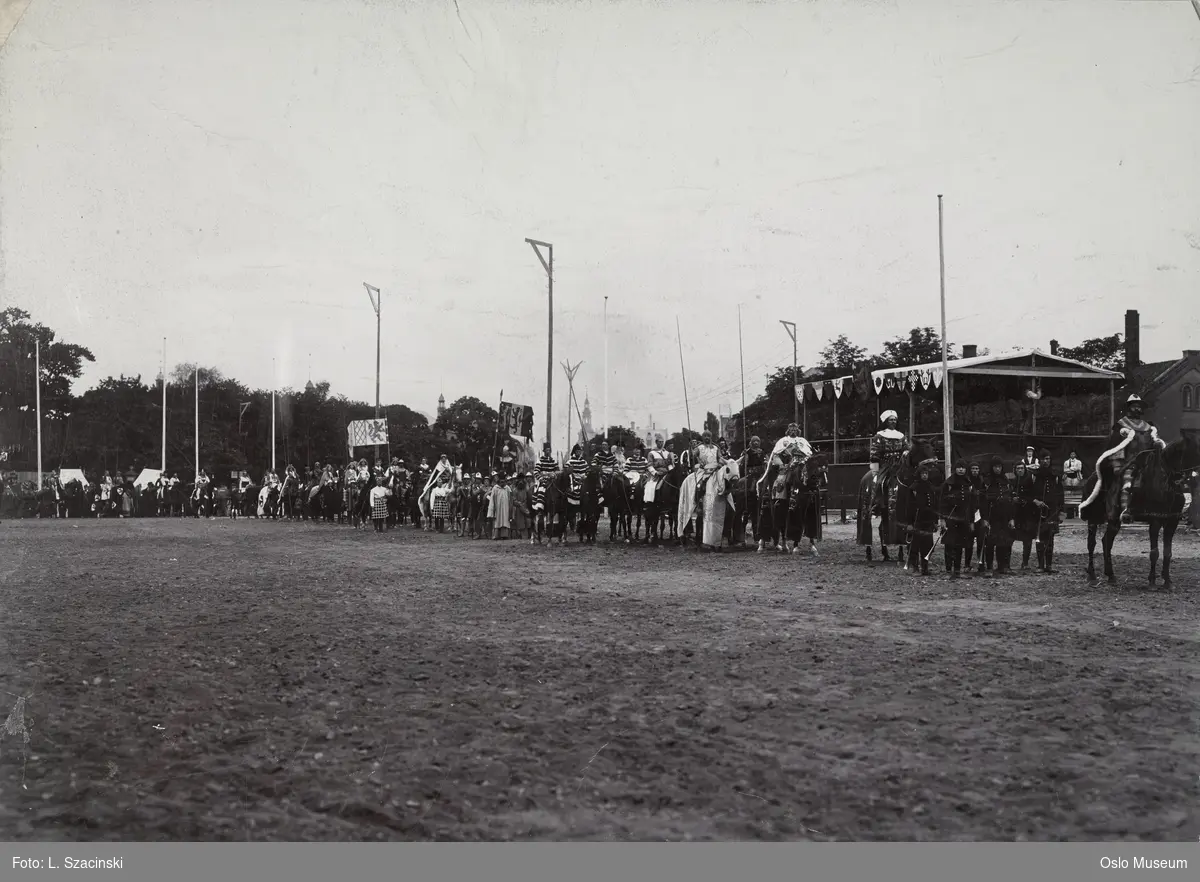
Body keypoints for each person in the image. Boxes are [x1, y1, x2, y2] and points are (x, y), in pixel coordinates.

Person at [978, 457, 1016, 576]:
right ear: (992, 467)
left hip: (1004, 516)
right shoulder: (986, 482)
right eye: (995, 467)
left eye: (999, 466)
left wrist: (1011, 518)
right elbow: (982, 502)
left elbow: (1010, 500)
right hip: (991, 517)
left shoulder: (1007, 481)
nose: (997, 469)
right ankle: (989, 568)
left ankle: (1003, 566)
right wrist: (984, 518)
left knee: (1004, 542)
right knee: (990, 543)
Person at [692, 430, 729, 550]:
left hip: (715, 470)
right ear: (702, 437)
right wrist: (693, 454)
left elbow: (720, 458)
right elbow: (693, 456)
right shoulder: (699, 447)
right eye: (705, 436)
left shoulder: (716, 447)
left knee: (724, 482)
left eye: (709, 436)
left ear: (711, 437)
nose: (707, 437)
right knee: (699, 484)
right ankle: (699, 502)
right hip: (703, 470)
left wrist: (725, 463)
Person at [939, 459, 976, 579]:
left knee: (960, 544)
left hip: (963, 519)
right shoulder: (948, 484)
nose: (961, 470)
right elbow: (942, 503)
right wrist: (942, 519)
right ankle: (948, 571)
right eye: (959, 467)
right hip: (950, 518)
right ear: (955, 469)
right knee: (950, 544)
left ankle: (957, 570)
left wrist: (971, 521)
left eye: (963, 468)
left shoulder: (968, 484)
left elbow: (971, 505)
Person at [1032, 448, 1065, 573]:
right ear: (1040, 460)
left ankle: (1049, 565)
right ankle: (1040, 565)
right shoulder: (1035, 476)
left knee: (1050, 539)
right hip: (1039, 512)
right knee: (1040, 538)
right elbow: (1031, 494)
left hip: (1052, 512)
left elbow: (1061, 496)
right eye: (1044, 459)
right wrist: (1036, 501)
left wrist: (1061, 515)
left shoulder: (1055, 476)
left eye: (1048, 459)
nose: (1046, 461)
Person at [905, 461, 940, 576]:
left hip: (928, 521)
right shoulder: (914, 488)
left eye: (926, 473)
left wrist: (935, 521)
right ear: (919, 474)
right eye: (922, 473)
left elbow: (934, 505)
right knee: (915, 545)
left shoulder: (931, 487)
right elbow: (909, 507)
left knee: (928, 545)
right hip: (917, 520)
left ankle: (925, 567)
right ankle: (914, 567)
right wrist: (909, 523)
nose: (924, 475)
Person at [1012, 461, 1037, 570]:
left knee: (1027, 540)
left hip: (1027, 514)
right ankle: (1006, 564)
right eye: (1018, 468)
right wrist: (1013, 498)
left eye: (1022, 468)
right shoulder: (1013, 481)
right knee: (1011, 537)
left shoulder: (1030, 481)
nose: (1020, 470)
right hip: (1015, 514)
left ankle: (1025, 562)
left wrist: (1024, 500)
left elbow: (1034, 496)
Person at [965, 461, 986, 571]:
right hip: (969, 514)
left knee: (981, 541)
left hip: (980, 514)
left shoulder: (982, 481)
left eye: (977, 469)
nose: (975, 471)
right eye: (973, 469)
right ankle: (967, 564)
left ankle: (981, 563)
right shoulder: (966, 481)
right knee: (968, 542)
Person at [490, 474, 512, 540]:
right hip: (497, 508)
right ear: (499, 481)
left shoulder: (507, 488)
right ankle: (496, 535)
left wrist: (510, 508)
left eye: (504, 482)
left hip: (506, 508)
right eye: (501, 482)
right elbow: (492, 499)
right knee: (497, 520)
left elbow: (510, 498)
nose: (502, 483)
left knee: (505, 520)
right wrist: (493, 508)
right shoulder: (495, 488)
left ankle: (505, 535)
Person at [511, 472, 532, 542]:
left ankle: (529, 536)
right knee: (520, 524)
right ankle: (521, 537)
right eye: (519, 479)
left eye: (522, 479)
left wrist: (525, 505)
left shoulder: (526, 490)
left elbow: (528, 498)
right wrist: (519, 504)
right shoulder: (515, 490)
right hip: (519, 509)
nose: (520, 481)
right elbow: (513, 500)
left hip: (526, 508)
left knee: (528, 522)